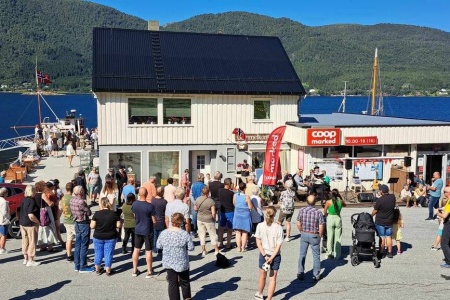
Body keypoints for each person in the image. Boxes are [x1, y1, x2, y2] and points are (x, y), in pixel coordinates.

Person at [156, 213, 195, 300]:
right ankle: (187, 298)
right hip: (182, 261)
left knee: (172, 283)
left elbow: (158, 246)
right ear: (181, 222)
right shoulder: (184, 234)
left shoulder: (164, 233)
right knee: (185, 282)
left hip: (169, 261)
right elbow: (191, 248)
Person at [254, 206, 283, 300]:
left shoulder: (260, 226)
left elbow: (258, 242)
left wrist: (265, 256)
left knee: (262, 276)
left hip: (264, 254)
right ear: (274, 215)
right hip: (275, 255)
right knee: (272, 278)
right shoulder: (278, 228)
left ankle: (260, 293)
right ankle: (269, 298)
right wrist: (271, 258)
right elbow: (278, 246)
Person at [296, 195, 324, 281]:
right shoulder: (318, 212)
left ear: (307, 202)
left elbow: (298, 223)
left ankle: (300, 272)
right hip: (314, 234)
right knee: (316, 255)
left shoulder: (301, 210)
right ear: (315, 202)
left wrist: (301, 231)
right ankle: (316, 275)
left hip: (304, 233)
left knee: (302, 254)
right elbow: (321, 225)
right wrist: (320, 235)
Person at [90, 197, 121, 276]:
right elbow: (118, 225)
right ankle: (108, 270)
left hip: (98, 236)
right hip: (110, 236)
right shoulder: (114, 213)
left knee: (98, 253)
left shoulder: (97, 213)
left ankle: (97, 269)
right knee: (108, 253)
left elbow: (92, 226)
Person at [131, 187, 157, 278]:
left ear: (139, 194)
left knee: (136, 249)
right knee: (148, 251)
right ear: (146, 194)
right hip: (148, 230)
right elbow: (154, 220)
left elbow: (134, 215)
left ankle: (134, 270)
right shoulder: (150, 206)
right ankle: (149, 271)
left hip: (138, 229)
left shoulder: (134, 204)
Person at [70, 185, 94, 273]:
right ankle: (83, 266)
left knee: (77, 245)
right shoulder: (81, 202)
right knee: (84, 245)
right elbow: (89, 212)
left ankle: (77, 265)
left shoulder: (72, 200)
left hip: (77, 222)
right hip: (83, 223)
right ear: (80, 192)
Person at [372, 184, 396, 258]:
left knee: (382, 238)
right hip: (389, 221)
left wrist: (371, 216)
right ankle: (389, 252)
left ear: (381, 191)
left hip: (380, 221)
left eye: (379, 190)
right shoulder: (393, 197)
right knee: (388, 237)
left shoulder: (380, 200)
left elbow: (375, 211)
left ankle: (381, 252)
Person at [194, 186, 219, 257]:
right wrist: (214, 219)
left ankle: (204, 251)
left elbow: (195, 208)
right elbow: (213, 212)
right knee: (213, 235)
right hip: (208, 219)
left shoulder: (198, 199)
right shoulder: (211, 201)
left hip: (200, 219)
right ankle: (216, 250)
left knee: (202, 235)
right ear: (208, 193)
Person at [19, 185, 40, 266]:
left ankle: (25, 258)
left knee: (25, 240)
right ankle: (30, 260)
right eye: (34, 190)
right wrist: (37, 221)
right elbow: (30, 215)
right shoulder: (31, 201)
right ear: (32, 191)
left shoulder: (24, 199)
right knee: (32, 241)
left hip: (22, 223)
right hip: (30, 224)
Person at [323, 189, 346, 259]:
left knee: (330, 237)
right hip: (338, 218)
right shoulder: (340, 201)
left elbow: (325, 211)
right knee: (338, 238)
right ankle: (337, 254)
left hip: (330, 217)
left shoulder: (328, 202)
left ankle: (329, 253)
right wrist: (340, 197)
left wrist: (327, 214)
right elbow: (345, 205)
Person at [36, 182, 58, 252]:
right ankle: (50, 246)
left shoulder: (35, 194)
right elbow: (50, 204)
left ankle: (41, 246)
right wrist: (53, 203)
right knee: (49, 228)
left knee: (41, 229)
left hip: (38, 213)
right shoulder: (42, 194)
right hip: (45, 212)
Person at [233, 182, 253, 252]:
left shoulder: (235, 195)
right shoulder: (247, 197)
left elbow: (234, 203)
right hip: (245, 215)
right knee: (244, 232)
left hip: (237, 214)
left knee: (238, 232)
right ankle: (243, 247)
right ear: (245, 188)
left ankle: (238, 248)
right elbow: (250, 207)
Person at [435, 187, 450, 268]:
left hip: (448, 223)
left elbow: (444, 215)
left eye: (445, 192)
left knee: (444, 243)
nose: (444, 193)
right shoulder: (448, 201)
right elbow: (446, 208)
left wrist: (438, 213)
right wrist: (441, 208)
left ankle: (449, 261)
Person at [60, 182, 75, 261]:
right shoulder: (72, 198)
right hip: (72, 220)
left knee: (69, 238)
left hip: (66, 219)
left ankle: (68, 255)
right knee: (79, 238)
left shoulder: (63, 198)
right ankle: (80, 254)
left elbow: (61, 208)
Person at [218, 178, 235, 249]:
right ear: (228, 184)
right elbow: (233, 203)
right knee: (230, 228)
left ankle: (221, 243)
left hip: (222, 210)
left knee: (221, 227)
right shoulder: (231, 193)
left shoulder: (220, 190)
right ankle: (228, 244)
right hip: (230, 211)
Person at [152, 186, 168, 254]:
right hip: (162, 220)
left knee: (155, 236)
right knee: (161, 236)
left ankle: (155, 248)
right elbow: (166, 212)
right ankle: (160, 249)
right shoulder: (164, 202)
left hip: (154, 220)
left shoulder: (153, 200)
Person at [0, 187, 11, 254]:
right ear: (5, 193)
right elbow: (4, 212)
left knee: (0, 234)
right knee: (4, 235)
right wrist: (9, 216)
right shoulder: (4, 202)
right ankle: (2, 248)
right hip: (3, 220)